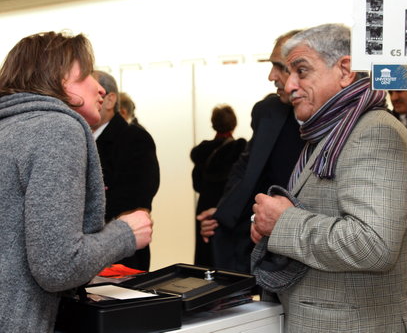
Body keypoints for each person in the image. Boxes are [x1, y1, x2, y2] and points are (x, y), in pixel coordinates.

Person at [250, 24, 407, 332]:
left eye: (301, 71)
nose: (289, 85)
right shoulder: (331, 133)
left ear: (345, 70)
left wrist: (283, 223)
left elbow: (374, 245)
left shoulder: (375, 133)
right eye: (289, 72)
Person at [0, 31, 153, 332]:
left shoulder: (10, 129)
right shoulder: (56, 130)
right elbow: (58, 266)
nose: (99, 89)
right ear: (59, 80)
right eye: (88, 76)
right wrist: (125, 234)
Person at [197, 30, 305, 274]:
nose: (271, 76)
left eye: (279, 67)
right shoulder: (268, 112)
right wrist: (223, 213)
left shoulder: (342, 125)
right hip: (258, 249)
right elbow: (246, 171)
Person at [92, 70, 160, 271]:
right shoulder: (81, 139)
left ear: (110, 100)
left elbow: (135, 198)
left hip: (121, 253)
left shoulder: (135, 139)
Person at [190, 105, 246, 267]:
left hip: (205, 204)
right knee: (227, 257)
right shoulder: (240, 151)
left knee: (204, 255)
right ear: (234, 124)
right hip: (229, 206)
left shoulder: (203, 151)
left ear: (213, 124)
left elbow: (197, 184)